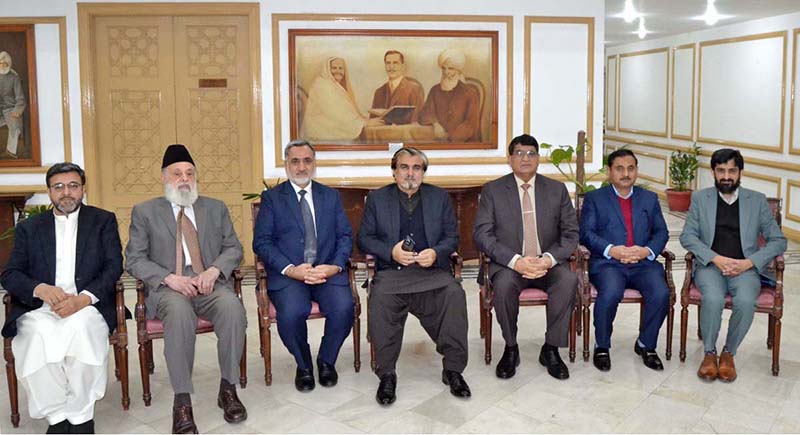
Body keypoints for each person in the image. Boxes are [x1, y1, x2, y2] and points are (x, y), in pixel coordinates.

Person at [126, 144, 247, 433]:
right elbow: (133, 259)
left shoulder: (215, 208)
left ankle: (228, 388)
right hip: (169, 287)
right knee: (180, 316)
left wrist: (215, 270)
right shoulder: (145, 211)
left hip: (208, 283)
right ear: (164, 177)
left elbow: (234, 247)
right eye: (177, 173)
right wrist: (168, 277)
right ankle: (182, 402)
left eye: (189, 173)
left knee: (233, 308)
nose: (184, 179)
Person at [1, 162, 122, 434]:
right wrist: (40, 288)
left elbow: (113, 266)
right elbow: (10, 273)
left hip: (87, 304)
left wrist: (84, 299)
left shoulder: (102, 220)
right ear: (49, 192)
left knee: (83, 332)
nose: (66, 192)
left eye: (73, 186)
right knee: (35, 340)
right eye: (58, 187)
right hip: (41, 308)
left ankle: (80, 416)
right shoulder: (30, 228)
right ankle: (56, 416)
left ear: (82, 189)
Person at [358, 147, 471, 406]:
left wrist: (436, 252)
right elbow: (364, 238)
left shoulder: (439, 197)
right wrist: (391, 252)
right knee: (381, 298)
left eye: (416, 168)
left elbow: (452, 238)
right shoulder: (377, 199)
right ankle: (387, 373)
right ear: (394, 171)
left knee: (454, 293)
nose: (410, 173)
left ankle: (453, 370)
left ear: (423, 172)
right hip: (392, 273)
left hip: (430, 272)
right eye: (404, 167)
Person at [473, 134, 578, 380]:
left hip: (547, 263)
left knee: (568, 280)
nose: (525, 158)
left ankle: (551, 349)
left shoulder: (556, 189)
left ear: (538, 159)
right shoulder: (493, 190)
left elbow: (571, 233)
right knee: (504, 284)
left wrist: (549, 259)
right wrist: (516, 261)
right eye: (519, 153)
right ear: (510, 159)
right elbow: (482, 234)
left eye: (531, 153)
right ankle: (511, 348)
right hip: (509, 264)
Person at [253, 139, 354, 392]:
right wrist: (290, 268)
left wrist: (336, 266)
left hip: (325, 272)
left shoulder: (330, 196)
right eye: (295, 161)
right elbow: (262, 242)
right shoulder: (272, 199)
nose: (301, 167)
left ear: (314, 164)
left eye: (307, 161)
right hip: (289, 275)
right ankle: (304, 363)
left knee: (344, 307)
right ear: (286, 165)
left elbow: (345, 237)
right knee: (291, 313)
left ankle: (326, 360)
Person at [680, 148, 786, 382]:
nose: (726, 176)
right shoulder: (700, 198)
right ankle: (709, 353)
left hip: (745, 267)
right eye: (721, 171)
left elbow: (779, 240)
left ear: (740, 173)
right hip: (710, 266)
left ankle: (728, 353)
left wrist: (749, 262)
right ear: (713, 172)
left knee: (746, 301)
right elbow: (687, 236)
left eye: (732, 171)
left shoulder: (756, 201)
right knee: (714, 299)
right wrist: (715, 258)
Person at [579, 149, 670, 372]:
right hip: (608, 263)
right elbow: (586, 233)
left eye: (631, 168)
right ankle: (602, 346)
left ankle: (646, 344)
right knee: (610, 293)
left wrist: (646, 251)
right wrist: (612, 250)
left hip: (643, 263)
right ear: (610, 171)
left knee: (661, 293)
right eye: (620, 168)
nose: (626, 173)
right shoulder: (595, 199)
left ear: (636, 171)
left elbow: (662, 232)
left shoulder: (649, 199)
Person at [300, 57, 381, 141]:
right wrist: (364, 123)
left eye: (340, 68)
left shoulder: (336, 86)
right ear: (327, 69)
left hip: (335, 129)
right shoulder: (322, 85)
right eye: (334, 68)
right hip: (321, 136)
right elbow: (336, 113)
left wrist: (365, 121)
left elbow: (347, 111)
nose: (338, 71)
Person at [417, 48, 481, 142]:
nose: (446, 72)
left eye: (451, 68)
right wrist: (435, 124)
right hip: (437, 140)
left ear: (458, 70)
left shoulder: (469, 92)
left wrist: (450, 137)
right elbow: (425, 113)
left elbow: (471, 124)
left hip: (461, 142)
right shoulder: (435, 90)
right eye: (444, 68)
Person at [370, 50, 425, 124]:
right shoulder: (379, 92)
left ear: (402, 66)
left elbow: (417, 121)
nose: (391, 67)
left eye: (395, 63)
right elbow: (372, 121)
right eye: (388, 63)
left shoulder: (414, 89)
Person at [0, 51, 25, 158]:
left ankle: (10, 152)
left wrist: (17, 111)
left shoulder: (14, 77)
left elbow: (20, 98)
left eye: (3, 64)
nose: (1, 66)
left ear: (8, 64)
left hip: (11, 109)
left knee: (15, 128)